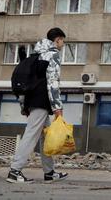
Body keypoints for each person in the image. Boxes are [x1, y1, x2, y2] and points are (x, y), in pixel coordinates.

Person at [6, 27, 69, 183]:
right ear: (58, 40)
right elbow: (53, 82)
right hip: (42, 101)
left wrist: (24, 106)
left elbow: (28, 82)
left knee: (45, 136)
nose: (62, 45)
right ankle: (15, 171)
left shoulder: (36, 55)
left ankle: (49, 173)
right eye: (62, 41)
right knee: (31, 134)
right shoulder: (52, 54)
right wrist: (57, 107)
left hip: (33, 100)